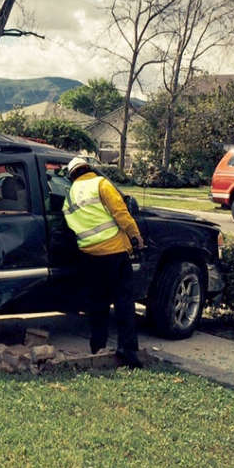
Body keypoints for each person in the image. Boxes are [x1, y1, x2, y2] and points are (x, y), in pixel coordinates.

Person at [62, 156, 144, 368]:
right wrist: (135, 236)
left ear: (71, 176)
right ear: (89, 168)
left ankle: (97, 347)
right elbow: (120, 212)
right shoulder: (101, 183)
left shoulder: (69, 196)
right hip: (115, 252)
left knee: (97, 303)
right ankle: (127, 351)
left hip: (90, 255)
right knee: (123, 302)